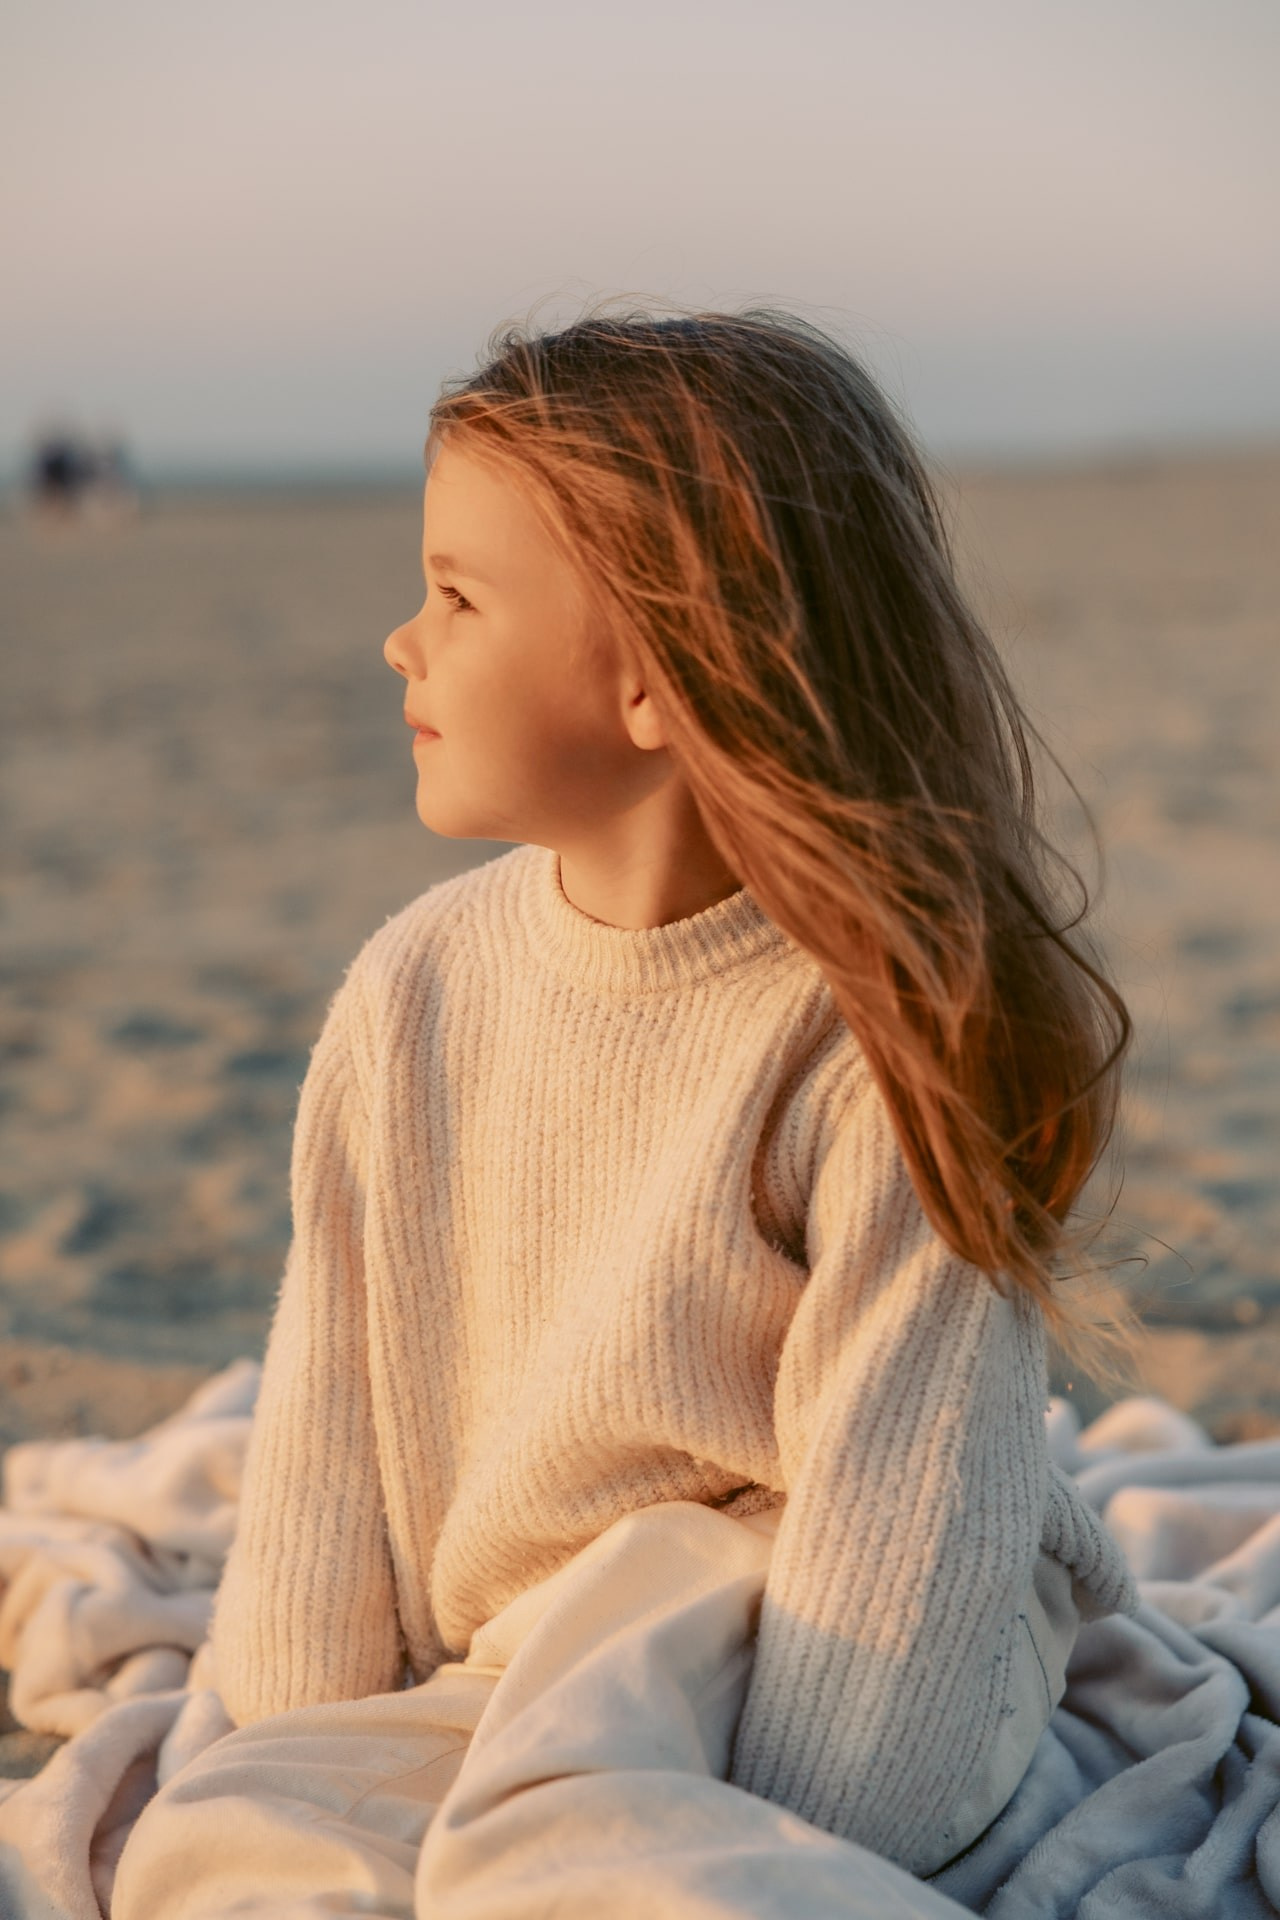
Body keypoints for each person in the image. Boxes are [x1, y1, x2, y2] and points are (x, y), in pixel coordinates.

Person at [112, 303, 1139, 1919]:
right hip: (533, 1650)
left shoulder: (873, 1031)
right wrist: (293, 1756)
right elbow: (329, 1447)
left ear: (662, 679)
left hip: (839, 1646)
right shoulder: (412, 992)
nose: (403, 639)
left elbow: (904, 1547)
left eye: (456, 595)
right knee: (239, 1841)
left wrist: (768, 1865)